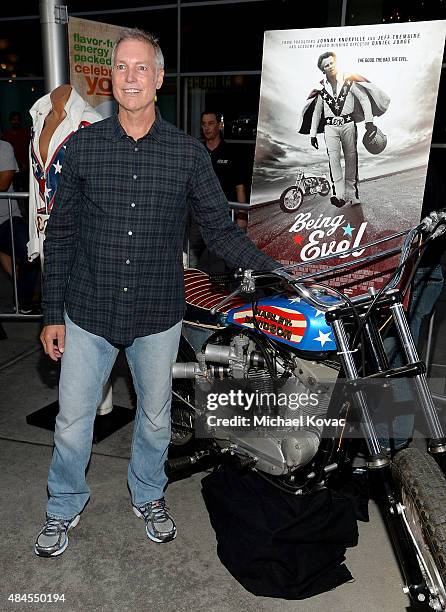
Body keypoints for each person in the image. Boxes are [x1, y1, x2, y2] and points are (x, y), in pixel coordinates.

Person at [35, 28, 279, 558]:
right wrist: (52, 312)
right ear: (112, 78)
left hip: (156, 316)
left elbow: (219, 231)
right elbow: (61, 235)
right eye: (122, 67)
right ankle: (62, 506)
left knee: (154, 420)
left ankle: (148, 496)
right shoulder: (83, 147)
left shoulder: (187, 155)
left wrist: (273, 270)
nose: (130, 77)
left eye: (141, 67)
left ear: (159, 77)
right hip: (88, 311)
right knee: (73, 424)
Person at [299, 51, 390, 208]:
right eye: (326, 65)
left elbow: (364, 100)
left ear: (336, 63)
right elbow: (316, 114)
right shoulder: (321, 90)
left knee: (351, 159)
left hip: (348, 124)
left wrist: (369, 122)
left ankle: (352, 194)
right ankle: (339, 195)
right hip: (330, 128)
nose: (330, 66)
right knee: (333, 161)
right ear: (323, 70)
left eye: (331, 63)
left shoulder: (349, 82)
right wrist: (312, 135)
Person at [188, 110, 248, 270]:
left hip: (223, 217)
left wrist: (242, 216)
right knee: (192, 259)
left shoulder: (231, 152)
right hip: (197, 218)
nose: (207, 128)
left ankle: (219, 293)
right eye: (204, 124)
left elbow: (239, 185)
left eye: (211, 123)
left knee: (220, 263)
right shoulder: (196, 152)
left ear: (219, 126)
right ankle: (194, 292)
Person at [0, 140, 37, 312]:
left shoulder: (3, 147)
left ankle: (24, 302)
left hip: (7, 218)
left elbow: (4, 182)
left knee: (31, 253)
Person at [2, 111, 29, 192]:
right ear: (10, 121)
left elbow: (28, 150)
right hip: (11, 167)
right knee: (15, 189)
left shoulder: (25, 133)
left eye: (17, 120)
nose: (15, 122)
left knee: (25, 190)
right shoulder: (6, 135)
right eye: (14, 120)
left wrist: (25, 164)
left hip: (24, 167)